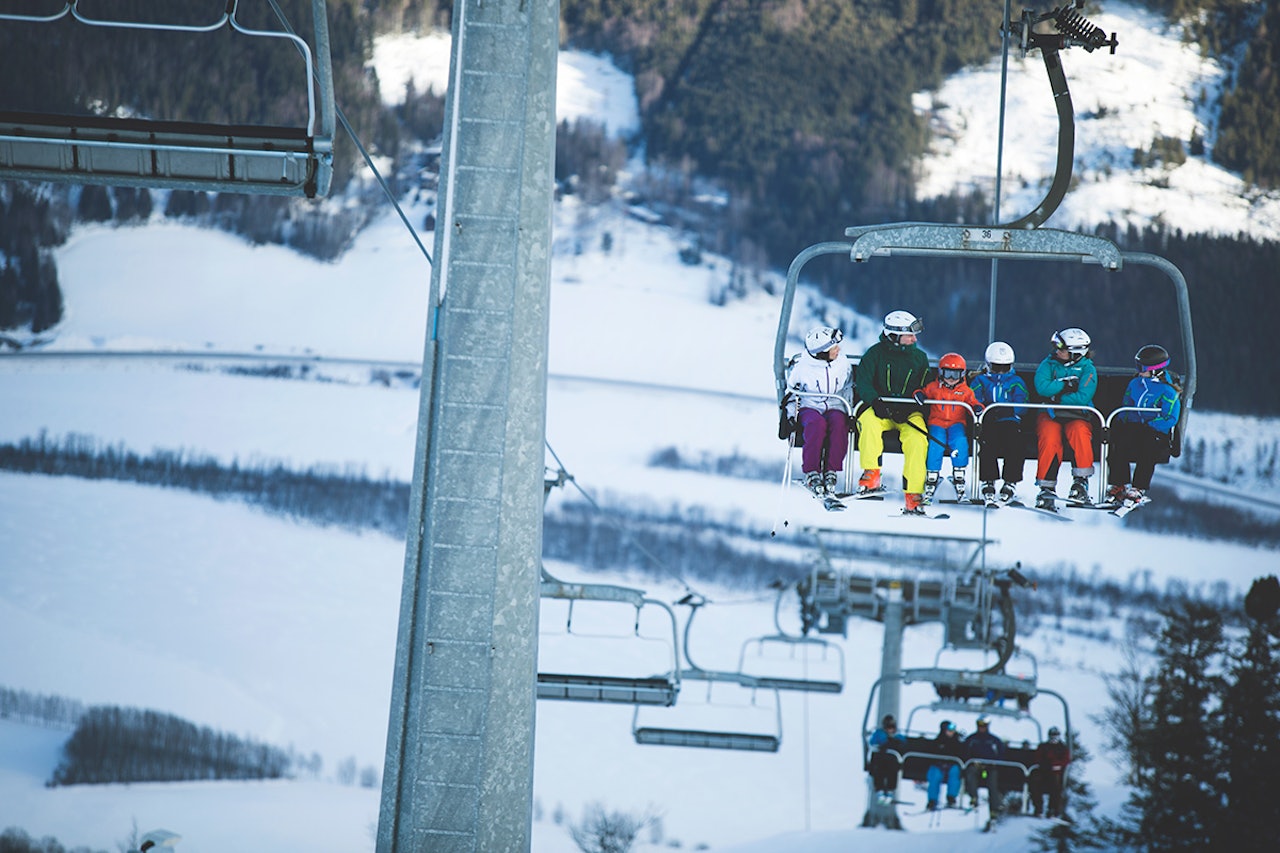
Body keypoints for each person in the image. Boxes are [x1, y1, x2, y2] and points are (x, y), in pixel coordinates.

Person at [854, 310, 930, 513]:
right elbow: (863, 382)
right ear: (895, 336)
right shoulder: (875, 354)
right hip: (880, 410)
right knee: (867, 422)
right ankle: (871, 474)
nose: (914, 339)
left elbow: (924, 388)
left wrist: (911, 407)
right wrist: (875, 401)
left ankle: (913, 494)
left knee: (918, 438)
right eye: (910, 335)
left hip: (908, 414)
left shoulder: (919, 358)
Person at [1105, 344, 1182, 507]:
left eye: (1142, 367)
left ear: (1155, 369)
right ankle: (1119, 484)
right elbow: (1127, 405)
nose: (1139, 371)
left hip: (1156, 431)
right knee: (1119, 443)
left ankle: (1138, 487)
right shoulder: (1135, 384)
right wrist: (1126, 423)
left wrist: (1151, 425)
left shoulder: (1167, 391)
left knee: (1149, 449)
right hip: (1136, 427)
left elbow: (1170, 417)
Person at [1033, 328, 1098, 510]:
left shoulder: (1087, 368)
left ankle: (1080, 482)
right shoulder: (1049, 363)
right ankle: (1047, 487)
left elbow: (1083, 397)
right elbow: (1042, 387)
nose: (1057, 350)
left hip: (1077, 414)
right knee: (1049, 437)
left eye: (1062, 348)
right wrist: (1065, 385)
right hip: (1050, 413)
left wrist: (1057, 398)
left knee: (1079, 433)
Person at [786, 326, 853, 497]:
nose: (838, 350)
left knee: (839, 424)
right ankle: (812, 471)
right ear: (822, 353)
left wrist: (850, 412)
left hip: (835, 404)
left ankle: (831, 470)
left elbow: (847, 389)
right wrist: (790, 417)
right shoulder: (802, 369)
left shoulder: (842, 362)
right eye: (833, 348)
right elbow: (793, 395)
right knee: (816, 424)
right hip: (810, 406)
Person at [915, 352, 983, 503]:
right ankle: (932, 476)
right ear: (940, 372)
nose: (951, 378)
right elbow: (923, 391)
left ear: (962, 374)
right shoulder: (934, 387)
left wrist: (978, 407)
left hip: (956, 423)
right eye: (948, 373)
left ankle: (959, 475)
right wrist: (919, 394)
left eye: (955, 374)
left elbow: (973, 401)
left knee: (960, 442)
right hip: (937, 422)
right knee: (935, 443)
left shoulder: (965, 390)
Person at [969, 341, 1029, 504]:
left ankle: (1011, 480)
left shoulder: (1016, 381)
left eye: (1005, 367)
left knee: (1015, 444)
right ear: (988, 365)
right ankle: (988, 480)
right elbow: (975, 399)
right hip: (989, 420)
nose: (1001, 371)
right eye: (997, 367)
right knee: (987, 443)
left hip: (1009, 421)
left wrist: (1010, 410)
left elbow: (1022, 403)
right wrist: (984, 410)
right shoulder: (980, 380)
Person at [964, 716, 1006, 814]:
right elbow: (965, 753)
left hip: (990, 767)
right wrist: (972, 761)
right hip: (975, 765)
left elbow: (1001, 755)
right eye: (980, 726)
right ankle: (973, 798)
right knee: (971, 772)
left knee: (992, 782)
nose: (981, 728)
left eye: (984, 726)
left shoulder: (994, 740)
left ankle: (994, 808)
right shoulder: (972, 739)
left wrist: (993, 763)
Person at [1029, 726, 1071, 818]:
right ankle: (1038, 808)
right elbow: (1037, 758)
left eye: (1055, 735)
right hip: (1043, 771)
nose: (1053, 738)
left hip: (1055, 773)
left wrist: (1056, 765)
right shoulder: (1043, 747)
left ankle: (1053, 809)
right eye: (1052, 735)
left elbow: (1065, 761)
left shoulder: (1062, 748)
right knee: (1034, 782)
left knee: (1055, 785)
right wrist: (1045, 764)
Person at [925, 719, 965, 811]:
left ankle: (951, 797)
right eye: (949, 730)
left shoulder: (957, 743)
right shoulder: (937, 742)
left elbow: (962, 755)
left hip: (952, 765)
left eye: (953, 730)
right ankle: (932, 800)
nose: (951, 732)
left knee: (955, 773)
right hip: (938, 765)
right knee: (935, 775)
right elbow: (931, 755)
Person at [868, 714, 906, 802]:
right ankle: (879, 789)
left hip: (892, 760)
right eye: (888, 727)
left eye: (892, 727)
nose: (890, 730)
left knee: (893, 771)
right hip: (879, 759)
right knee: (878, 770)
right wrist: (883, 745)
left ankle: (890, 790)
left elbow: (903, 745)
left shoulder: (898, 736)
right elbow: (872, 743)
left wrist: (894, 742)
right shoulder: (879, 734)